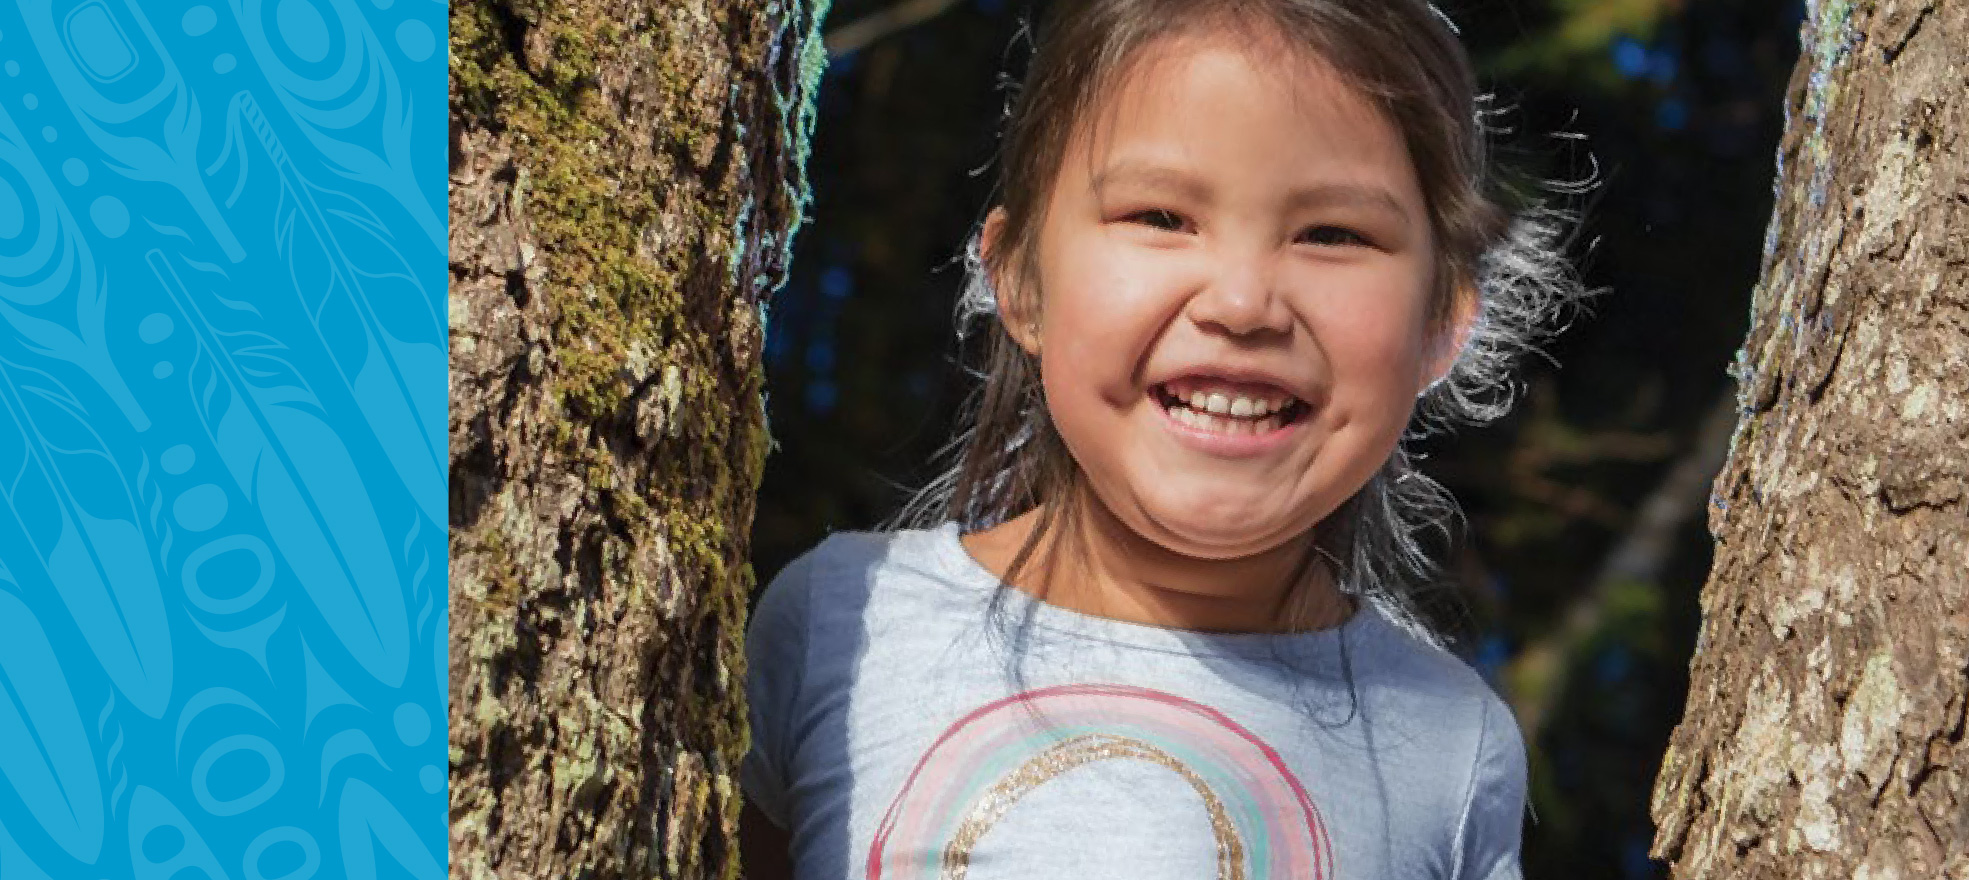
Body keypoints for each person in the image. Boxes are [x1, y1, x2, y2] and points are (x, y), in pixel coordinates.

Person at [739, 0, 1587, 876]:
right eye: (1160, 217)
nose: (1242, 302)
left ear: (1442, 323)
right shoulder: (840, 627)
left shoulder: (1450, 746)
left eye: (1332, 234)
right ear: (1021, 279)